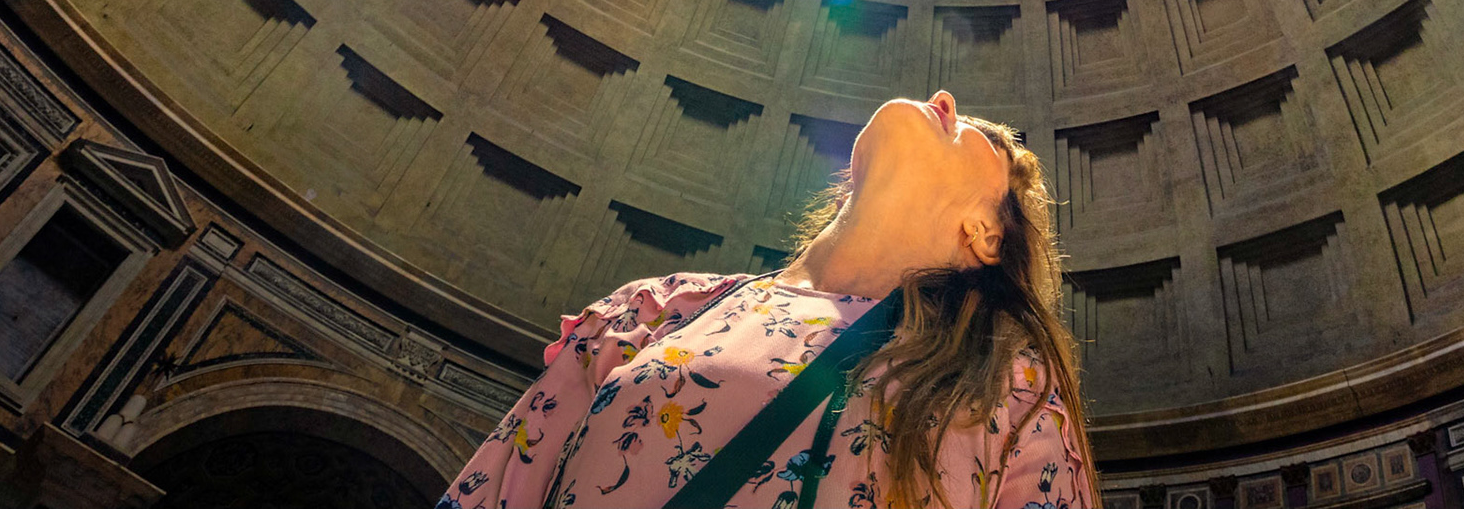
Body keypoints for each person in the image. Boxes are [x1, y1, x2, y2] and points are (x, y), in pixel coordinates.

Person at [439, 88, 1096, 508]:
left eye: (986, 142)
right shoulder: (657, 311)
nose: (946, 98)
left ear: (986, 234)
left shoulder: (1011, 390)